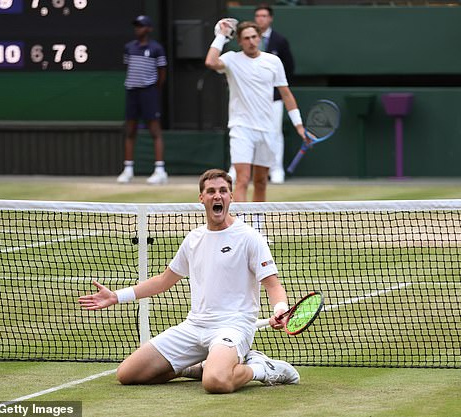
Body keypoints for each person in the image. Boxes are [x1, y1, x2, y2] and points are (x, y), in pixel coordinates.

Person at [78, 169, 300, 393]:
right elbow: (164, 281)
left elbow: (273, 285)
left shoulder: (250, 237)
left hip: (233, 327)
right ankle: (196, 368)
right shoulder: (193, 238)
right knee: (128, 373)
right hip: (194, 327)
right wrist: (116, 296)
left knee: (216, 383)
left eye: (223, 191)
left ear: (231, 197)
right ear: (201, 198)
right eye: (211, 191)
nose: (217, 196)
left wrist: (281, 308)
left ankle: (261, 368)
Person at [206, 20, 308, 202]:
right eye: (246, 38)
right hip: (241, 128)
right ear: (240, 41)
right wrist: (221, 36)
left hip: (267, 130)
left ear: (260, 38)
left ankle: (257, 227)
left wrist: (299, 125)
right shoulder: (231, 59)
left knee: (261, 182)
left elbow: (286, 94)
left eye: (254, 37)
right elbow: (211, 61)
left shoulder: (273, 61)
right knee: (243, 179)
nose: (251, 41)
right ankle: (241, 227)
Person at [228, 4, 295, 185]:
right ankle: (236, 169)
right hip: (247, 105)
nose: (261, 18)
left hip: (273, 100)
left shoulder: (279, 41)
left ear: (270, 18)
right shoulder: (237, 55)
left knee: (275, 133)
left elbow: (288, 70)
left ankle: (276, 169)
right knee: (243, 137)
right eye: (258, 15)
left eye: (264, 16)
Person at [117, 15, 168, 185]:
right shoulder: (129, 48)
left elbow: (162, 73)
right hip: (132, 92)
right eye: (136, 26)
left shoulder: (156, 48)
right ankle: (128, 170)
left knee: (155, 131)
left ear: (149, 29)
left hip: (149, 93)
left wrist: (152, 89)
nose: (138, 29)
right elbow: (128, 67)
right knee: (130, 131)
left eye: (141, 26)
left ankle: (160, 171)